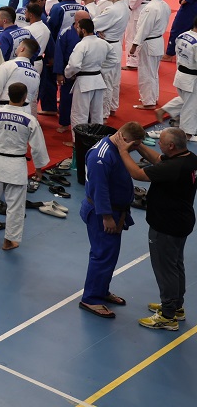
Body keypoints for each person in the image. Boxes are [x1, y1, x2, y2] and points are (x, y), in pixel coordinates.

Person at [110, 127, 197, 330]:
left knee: (165, 270)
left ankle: (167, 316)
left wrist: (123, 151)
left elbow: (138, 174)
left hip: (166, 226)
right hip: (181, 221)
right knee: (176, 266)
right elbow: (159, 160)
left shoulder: (173, 167)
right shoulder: (189, 158)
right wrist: (139, 146)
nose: (158, 144)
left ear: (171, 146)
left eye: (162, 142)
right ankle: (176, 307)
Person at [0, 83, 50, 250]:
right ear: (24, 98)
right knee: (15, 206)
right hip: (16, 166)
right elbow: (38, 147)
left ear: (8, 95)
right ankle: (8, 240)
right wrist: (38, 168)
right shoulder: (30, 120)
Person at [79, 122, 144, 319]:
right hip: (102, 214)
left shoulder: (117, 148)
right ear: (124, 138)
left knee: (109, 254)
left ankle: (101, 290)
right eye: (134, 145)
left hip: (116, 211)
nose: (135, 149)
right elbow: (99, 189)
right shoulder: (101, 156)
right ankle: (91, 299)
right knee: (102, 254)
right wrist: (106, 216)